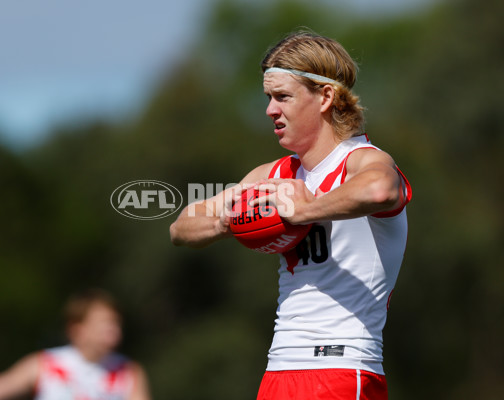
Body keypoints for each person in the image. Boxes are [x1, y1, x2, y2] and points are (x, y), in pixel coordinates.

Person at [169, 29, 411, 399]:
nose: (269, 109)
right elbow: (181, 226)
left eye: (283, 97)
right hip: (278, 371)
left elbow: (381, 189)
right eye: (268, 97)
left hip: (342, 369)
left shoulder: (361, 161)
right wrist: (227, 219)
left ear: (326, 97)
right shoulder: (275, 174)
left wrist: (305, 209)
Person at [0, 288, 151, 400]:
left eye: (116, 323)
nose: (114, 331)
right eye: (104, 323)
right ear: (77, 330)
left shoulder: (128, 373)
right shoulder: (46, 365)